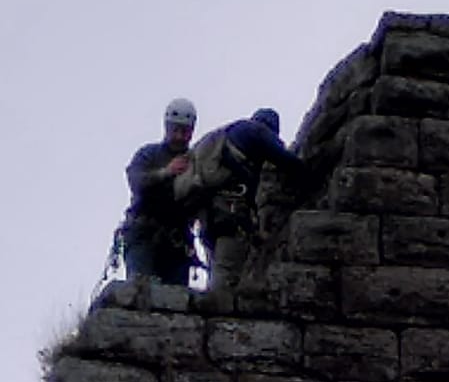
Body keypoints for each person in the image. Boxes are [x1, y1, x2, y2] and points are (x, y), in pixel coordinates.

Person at [176, 107, 309, 290]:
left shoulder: (224, 136)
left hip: (208, 216)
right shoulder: (255, 131)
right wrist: (312, 174)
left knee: (218, 267)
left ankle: (213, 300)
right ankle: (218, 305)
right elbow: (287, 161)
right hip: (229, 214)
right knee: (227, 273)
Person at [121, 98, 198, 285]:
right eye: (175, 130)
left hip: (177, 242)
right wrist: (166, 172)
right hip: (144, 235)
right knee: (141, 290)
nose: (179, 136)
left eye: (185, 131)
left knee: (176, 297)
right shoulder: (149, 154)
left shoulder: (196, 162)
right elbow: (136, 181)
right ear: (166, 127)